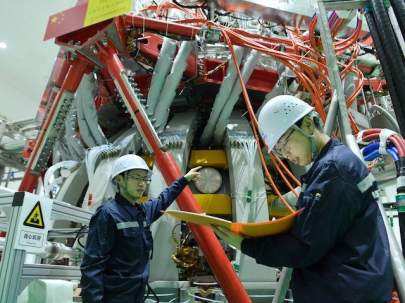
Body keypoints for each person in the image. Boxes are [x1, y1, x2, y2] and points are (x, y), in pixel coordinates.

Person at [214, 95, 393, 302]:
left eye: (283, 143)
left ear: (307, 124)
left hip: (346, 292)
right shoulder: (330, 165)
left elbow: (305, 247)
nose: (286, 154)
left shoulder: (333, 170)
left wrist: (246, 245)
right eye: (279, 151)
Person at [80, 154, 201, 303]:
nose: (142, 184)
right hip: (114, 296)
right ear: (119, 179)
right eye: (136, 178)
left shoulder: (141, 212)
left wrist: (184, 180)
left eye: (145, 179)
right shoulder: (107, 214)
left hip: (136, 293)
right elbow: (92, 265)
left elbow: (163, 199)